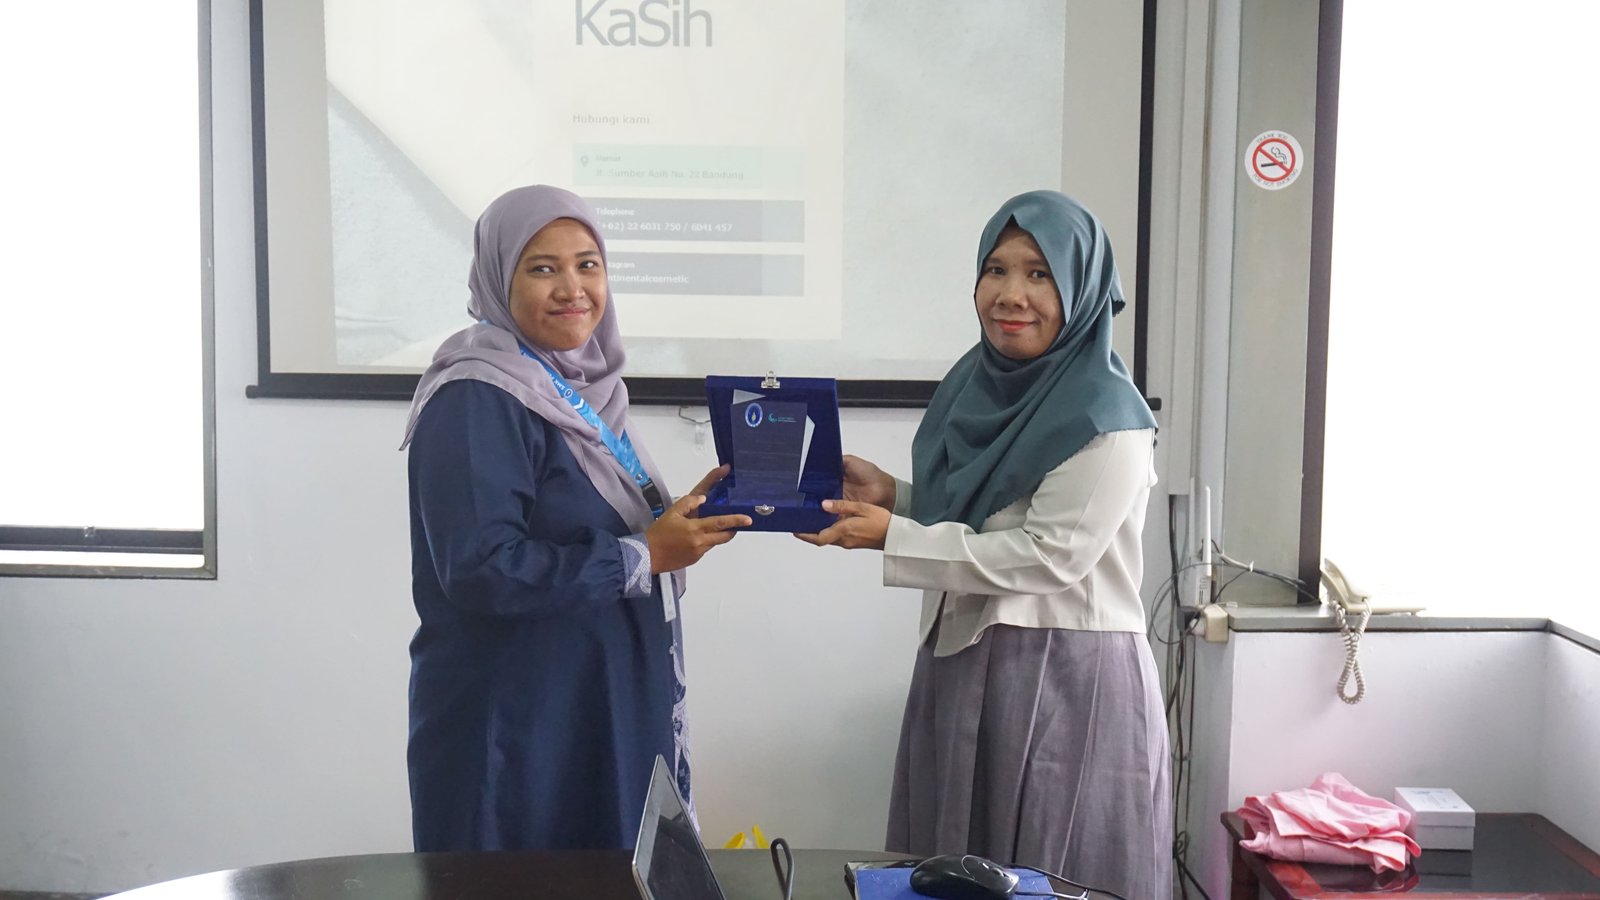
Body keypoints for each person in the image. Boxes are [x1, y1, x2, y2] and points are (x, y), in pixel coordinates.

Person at [799, 191, 1171, 899]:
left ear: (1081, 288)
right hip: (965, 661)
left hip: (1066, 677)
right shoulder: (974, 386)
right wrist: (896, 497)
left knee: (1051, 870)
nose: (1010, 295)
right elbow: (985, 518)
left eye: (1039, 274)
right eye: (996, 270)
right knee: (952, 874)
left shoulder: (1108, 414)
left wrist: (894, 536)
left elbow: (1049, 555)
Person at [400, 185, 751, 852]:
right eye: (543, 268)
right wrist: (644, 555)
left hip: (593, 704)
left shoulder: (578, 391)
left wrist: (677, 522)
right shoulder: (476, 396)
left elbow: (600, 521)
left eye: (588, 265)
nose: (573, 289)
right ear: (499, 278)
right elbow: (481, 570)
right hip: (519, 726)